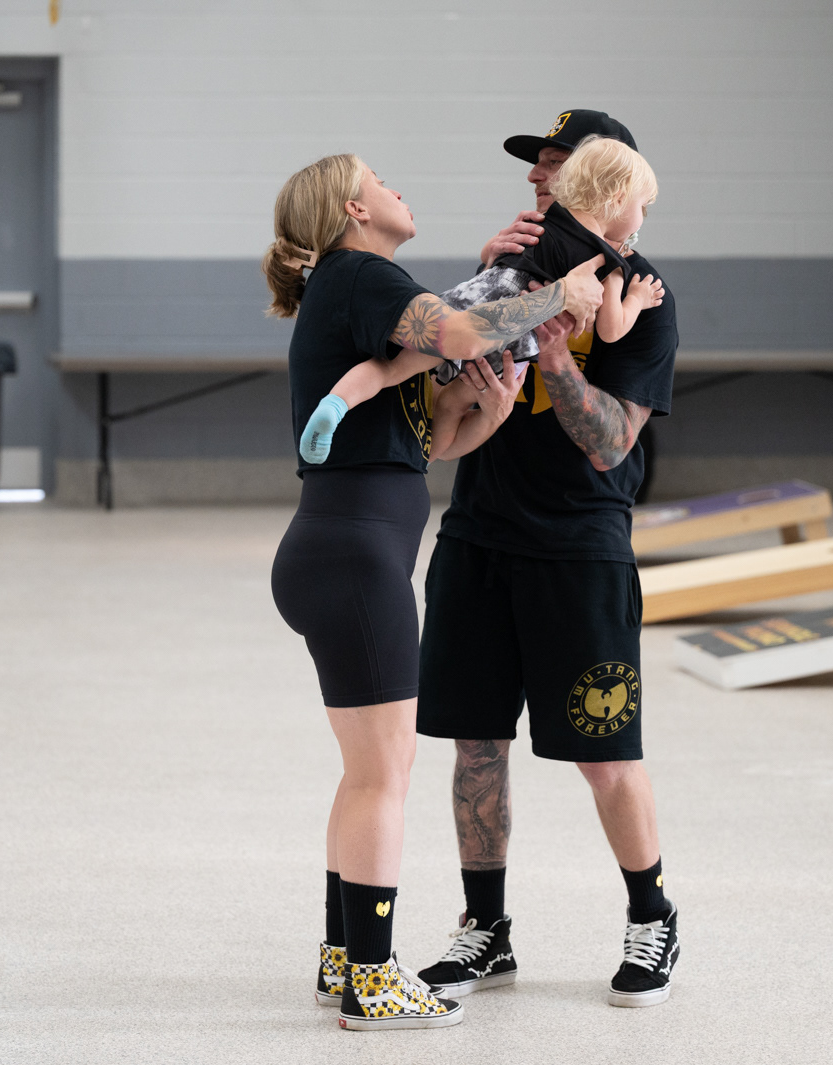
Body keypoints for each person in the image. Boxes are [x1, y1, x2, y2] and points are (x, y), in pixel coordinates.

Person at [262, 152, 604, 1031]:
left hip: (341, 548)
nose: (399, 190)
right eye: (382, 181)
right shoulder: (361, 274)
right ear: (353, 209)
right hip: (353, 555)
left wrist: (489, 410)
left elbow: (431, 441)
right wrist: (558, 297)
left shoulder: (356, 292)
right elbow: (454, 333)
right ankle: (374, 979)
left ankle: (344, 955)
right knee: (385, 776)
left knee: (365, 773)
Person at [412, 109, 682, 1008]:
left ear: (605, 179)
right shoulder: (516, 270)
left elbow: (610, 444)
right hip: (478, 535)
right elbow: (441, 356)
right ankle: (485, 929)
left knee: (606, 754)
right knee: (476, 745)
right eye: (537, 165)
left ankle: (652, 914)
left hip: (580, 546)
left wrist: (559, 352)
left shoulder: (641, 293)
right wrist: (494, 289)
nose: (540, 177)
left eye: (558, 163)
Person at [298, 137, 665, 464]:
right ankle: (411, 447)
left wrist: (489, 257)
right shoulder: (610, 264)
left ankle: (335, 404)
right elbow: (611, 329)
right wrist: (637, 298)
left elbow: (502, 262)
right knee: (455, 401)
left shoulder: (543, 221)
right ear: (619, 197)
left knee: (390, 370)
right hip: (512, 336)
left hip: (486, 300)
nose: (642, 218)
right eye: (643, 205)